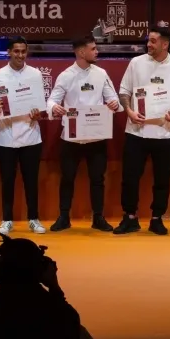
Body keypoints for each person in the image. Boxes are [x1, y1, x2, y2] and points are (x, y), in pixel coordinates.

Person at [114, 26, 170, 235]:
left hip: (167, 132)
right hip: (136, 130)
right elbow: (124, 92)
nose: (148, 44)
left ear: (165, 44)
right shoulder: (136, 63)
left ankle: (157, 218)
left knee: (162, 179)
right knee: (130, 177)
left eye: (153, 41)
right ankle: (130, 217)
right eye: (148, 40)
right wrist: (129, 111)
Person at [46, 35, 121, 233]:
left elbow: (113, 98)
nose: (97, 52)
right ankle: (64, 217)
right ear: (81, 52)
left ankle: (98, 218)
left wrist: (114, 104)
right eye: (93, 49)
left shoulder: (101, 74)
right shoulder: (66, 75)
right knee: (67, 178)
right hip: (72, 137)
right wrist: (54, 108)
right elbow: (52, 100)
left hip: (97, 136)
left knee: (98, 179)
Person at [0, 36, 46, 235]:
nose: (20, 55)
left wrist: (38, 113)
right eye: (16, 51)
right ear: (9, 52)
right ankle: (7, 220)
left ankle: (34, 219)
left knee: (31, 181)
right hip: (5, 136)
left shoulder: (36, 74)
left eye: (23, 51)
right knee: (7, 181)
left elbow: (40, 106)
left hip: (31, 135)